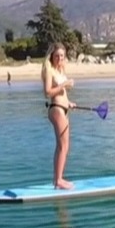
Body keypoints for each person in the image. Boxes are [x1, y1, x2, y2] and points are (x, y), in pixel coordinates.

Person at [41, 42, 76, 189]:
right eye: (57, 56)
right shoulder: (50, 71)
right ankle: (58, 180)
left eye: (62, 56)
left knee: (65, 146)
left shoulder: (60, 71)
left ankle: (58, 179)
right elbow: (48, 92)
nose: (60, 58)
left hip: (63, 108)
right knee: (62, 146)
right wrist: (64, 85)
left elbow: (62, 95)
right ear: (52, 56)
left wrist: (69, 103)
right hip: (56, 110)